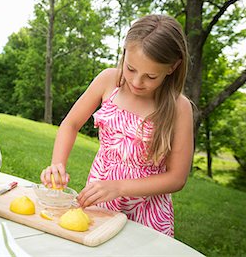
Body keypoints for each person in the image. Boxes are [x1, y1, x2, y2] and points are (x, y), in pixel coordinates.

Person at [40, 14, 194, 237]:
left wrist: (119, 187)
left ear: (172, 67)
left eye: (150, 76)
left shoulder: (179, 107)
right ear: (124, 54)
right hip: (100, 202)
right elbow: (71, 124)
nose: (136, 82)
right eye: (131, 69)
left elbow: (177, 178)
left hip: (148, 215)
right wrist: (57, 165)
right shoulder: (109, 81)